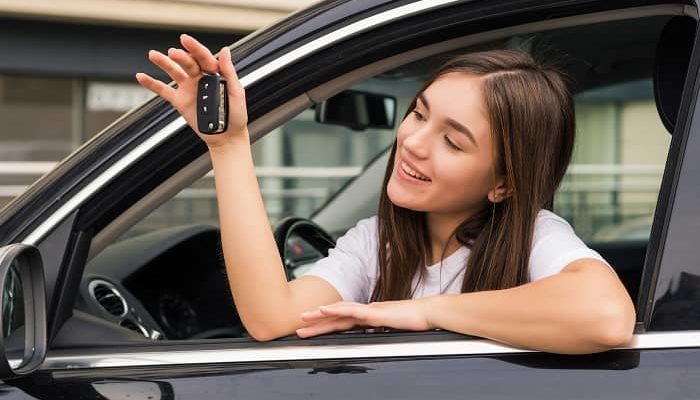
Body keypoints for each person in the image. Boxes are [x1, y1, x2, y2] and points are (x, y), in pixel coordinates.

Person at [136, 34, 636, 354]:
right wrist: (228, 147)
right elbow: (272, 319)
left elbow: (606, 317)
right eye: (418, 114)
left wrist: (423, 312)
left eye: (452, 140)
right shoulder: (378, 242)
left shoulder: (535, 237)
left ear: (503, 183)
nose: (411, 141)